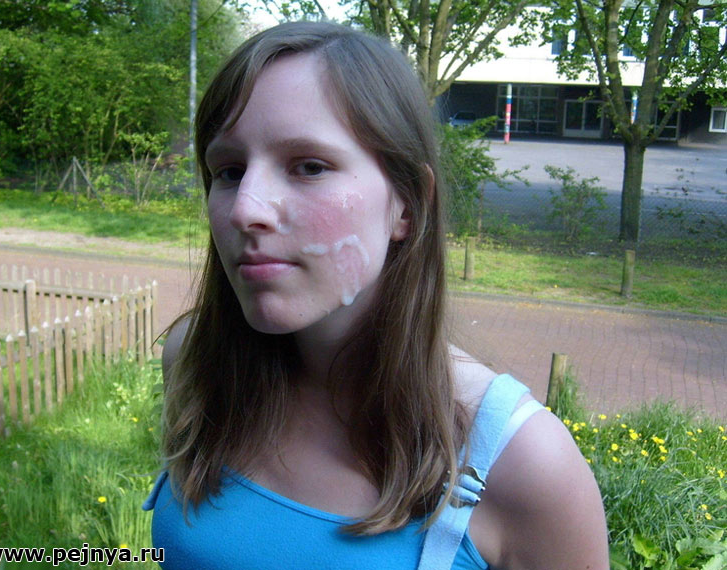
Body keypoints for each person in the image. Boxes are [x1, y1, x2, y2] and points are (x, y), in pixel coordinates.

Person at [143, 21, 609, 569]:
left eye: (309, 166)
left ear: (406, 205)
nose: (245, 208)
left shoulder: (524, 465)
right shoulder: (194, 362)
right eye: (229, 171)